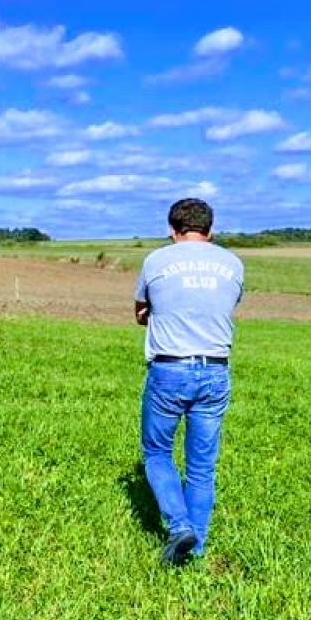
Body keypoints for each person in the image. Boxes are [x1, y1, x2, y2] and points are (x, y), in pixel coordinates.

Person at [135, 198, 245, 567]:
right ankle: (194, 550)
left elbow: (140, 312)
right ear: (211, 230)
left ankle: (179, 525)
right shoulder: (232, 263)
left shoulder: (156, 261)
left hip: (169, 369)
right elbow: (227, 305)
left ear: (172, 229)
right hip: (216, 370)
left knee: (156, 452)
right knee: (201, 466)